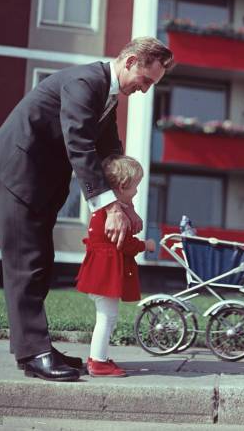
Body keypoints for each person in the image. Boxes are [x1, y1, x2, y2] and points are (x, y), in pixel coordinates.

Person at [0, 37, 174, 381]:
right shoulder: (85, 83)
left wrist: (125, 206)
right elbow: (80, 144)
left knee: (40, 262)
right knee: (26, 263)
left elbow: (110, 153)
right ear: (130, 61)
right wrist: (109, 208)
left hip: (41, 180)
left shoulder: (107, 95)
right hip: (18, 171)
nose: (145, 90)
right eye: (146, 81)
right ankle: (35, 352)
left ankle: (32, 349)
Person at [76, 154, 156, 377]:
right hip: (104, 275)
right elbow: (126, 244)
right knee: (107, 317)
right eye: (135, 187)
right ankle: (98, 362)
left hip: (99, 272)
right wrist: (146, 245)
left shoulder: (108, 209)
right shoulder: (112, 215)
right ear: (122, 186)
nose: (137, 192)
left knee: (106, 316)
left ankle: (97, 357)